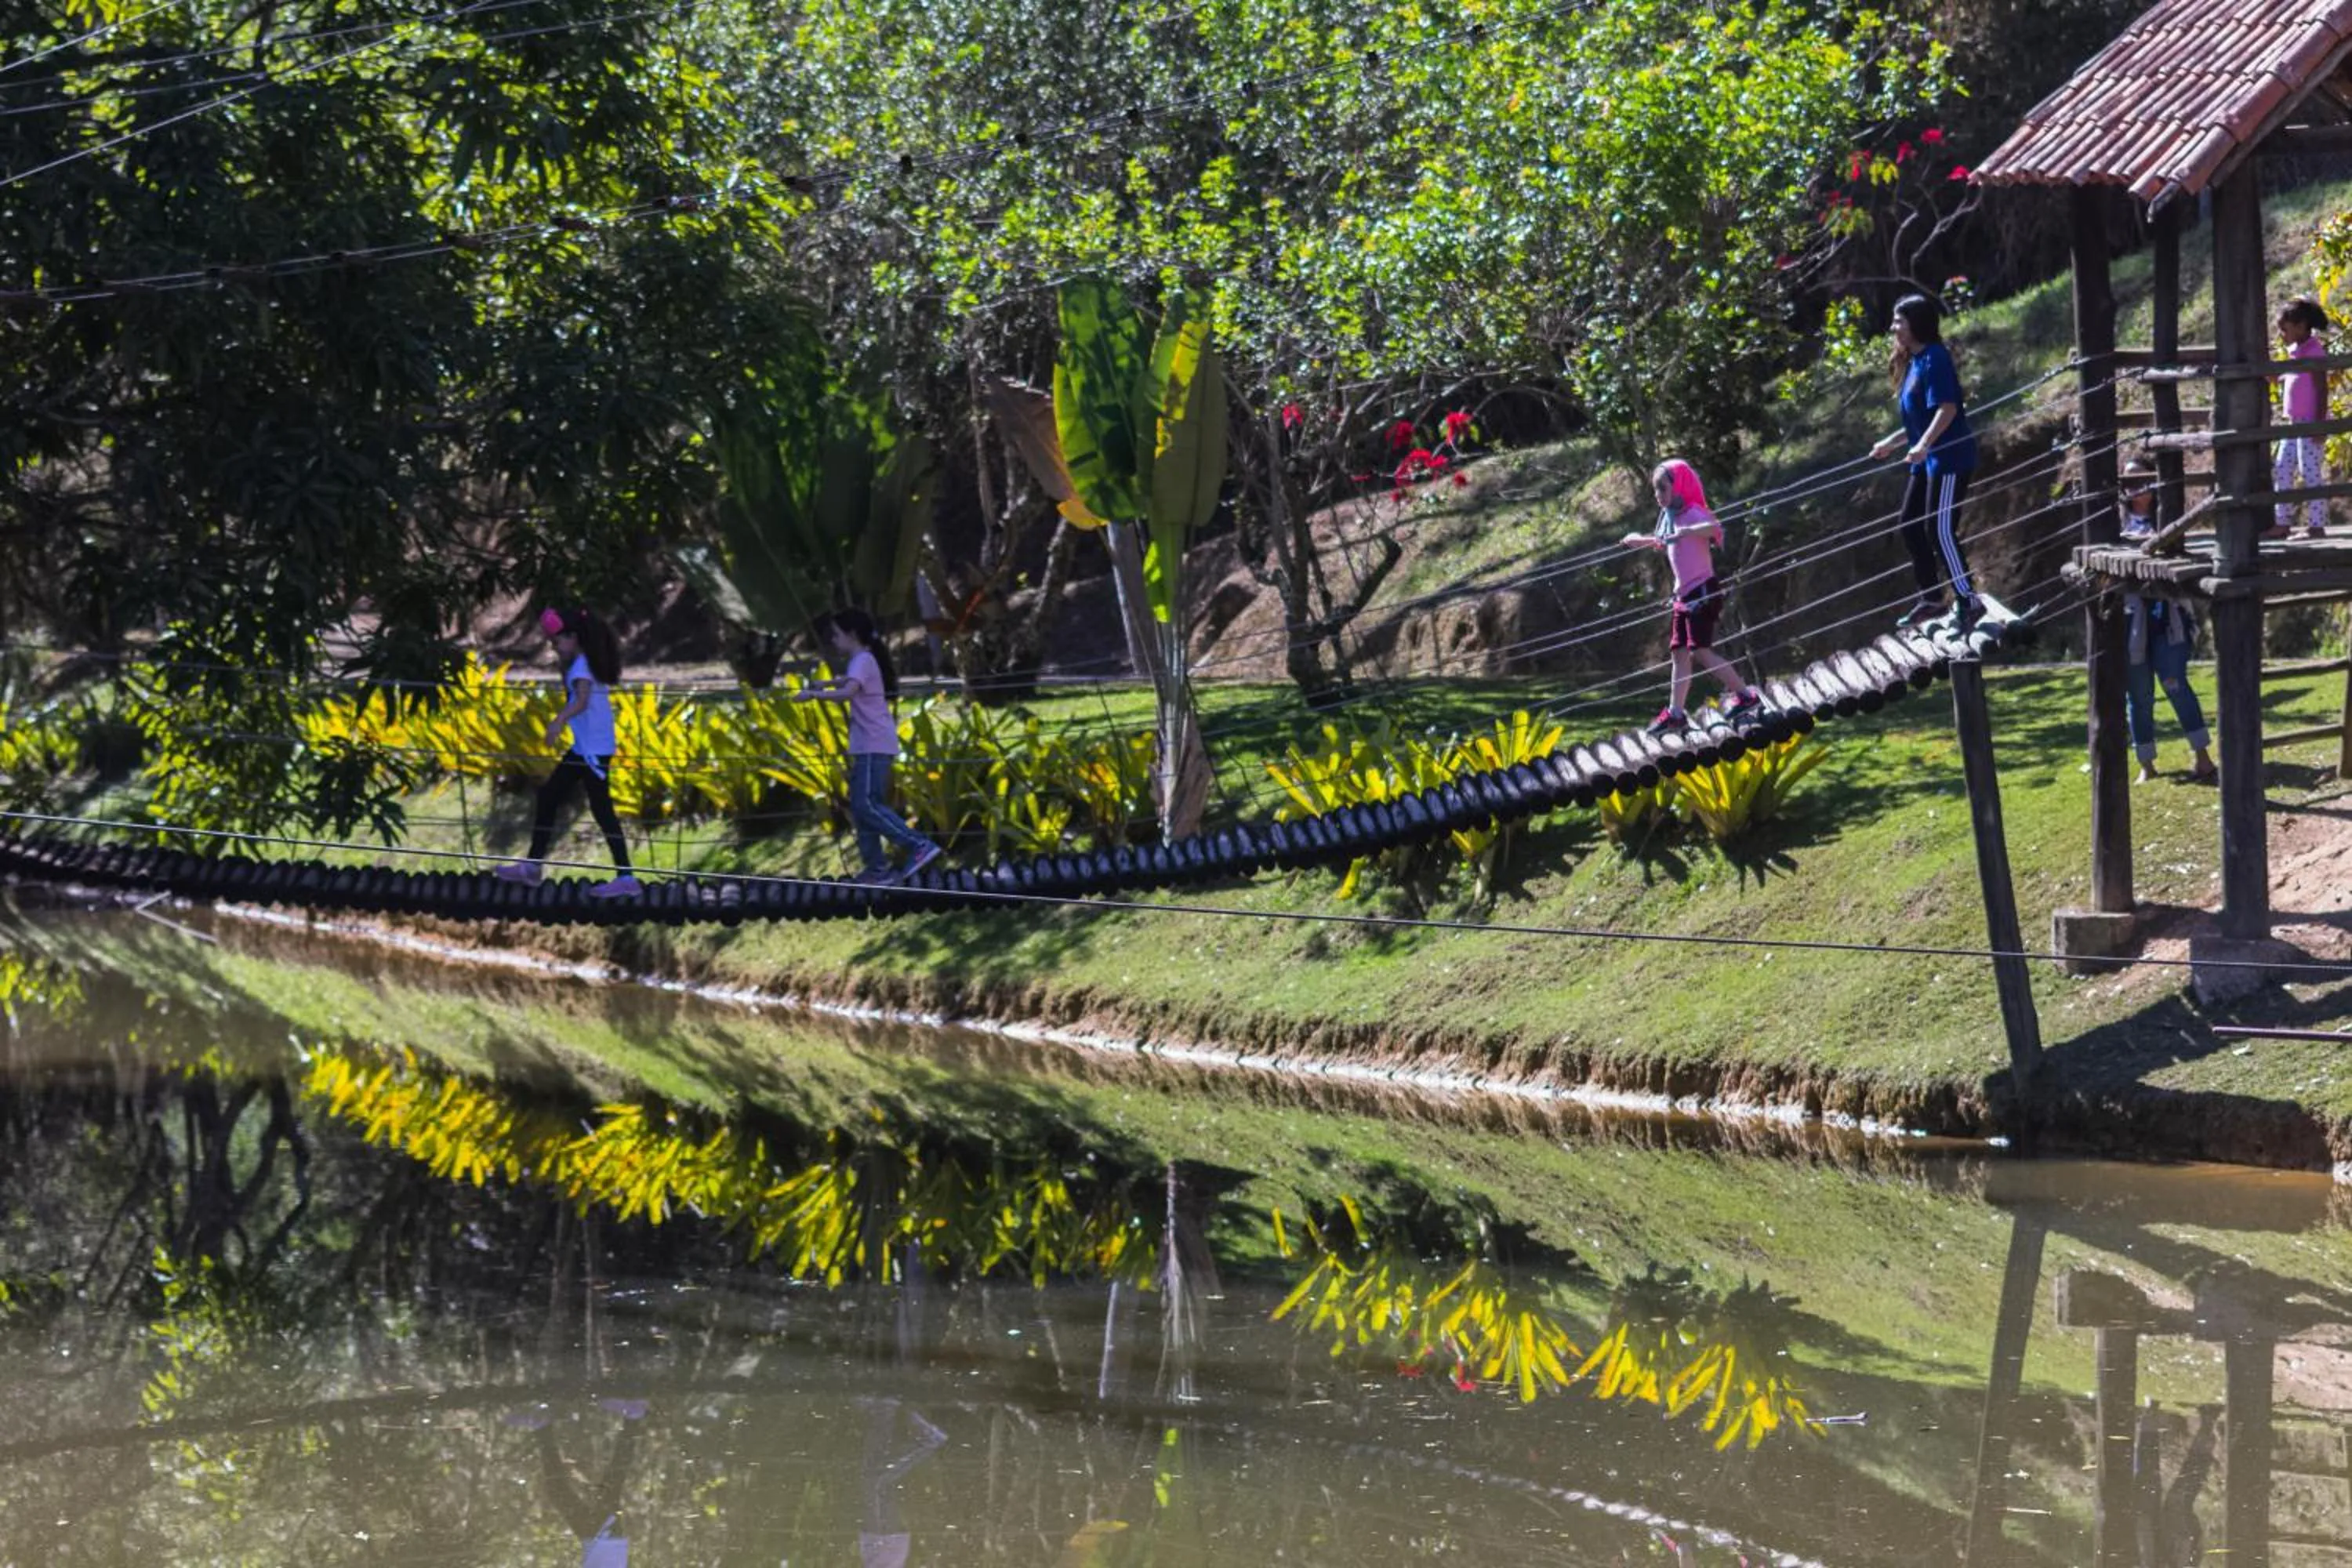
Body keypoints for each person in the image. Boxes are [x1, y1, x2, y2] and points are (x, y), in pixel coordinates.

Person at [494, 608, 641, 898]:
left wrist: (558, 721)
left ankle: (627, 878)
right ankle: (533, 867)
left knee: (603, 811)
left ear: (573, 638)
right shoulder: (584, 663)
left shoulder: (582, 668)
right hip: (583, 750)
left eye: (557, 642)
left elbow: (583, 700)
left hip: (593, 753)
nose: (554, 647)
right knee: (548, 796)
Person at [793, 610, 943, 885]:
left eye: (837, 635)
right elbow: (849, 683)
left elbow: (848, 693)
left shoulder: (862, 660)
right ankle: (876, 868)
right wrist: (825, 683)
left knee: (866, 804)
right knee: (862, 807)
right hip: (867, 745)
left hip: (874, 743)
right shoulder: (861, 660)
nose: (834, 640)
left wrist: (813, 695)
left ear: (851, 635)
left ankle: (918, 845)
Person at [1620, 459, 1766, 735]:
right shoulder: (1669, 517)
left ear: (1679, 487)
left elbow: (1713, 528)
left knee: (1700, 651)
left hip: (1702, 592)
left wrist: (1690, 530)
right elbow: (1661, 541)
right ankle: (1676, 714)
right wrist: (1639, 540)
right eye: (1655, 490)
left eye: (1662, 489)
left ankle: (1747, 697)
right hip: (1684, 595)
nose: (1657, 495)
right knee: (1679, 653)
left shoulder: (1692, 513)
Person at [1870, 292, 1982, 631]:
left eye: (1899, 321)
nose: (1893, 328)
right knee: (1910, 524)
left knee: (1940, 528)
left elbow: (1947, 409)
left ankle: (1968, 600)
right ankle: (1932, 598)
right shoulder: (1916, 362)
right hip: (1928, 459)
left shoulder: (1935, 358)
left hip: (1948, 459)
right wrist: (1892, 442)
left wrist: (1923, 445)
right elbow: (1919, 420)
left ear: (1916, 323)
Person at [2118, 461, 2216, 784]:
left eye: (2143, 479)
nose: (2137, 488)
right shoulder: (2114, 526)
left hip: (2167, 614)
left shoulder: (2168, 521)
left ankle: (2202, 756)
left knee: (2176, 684)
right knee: (2139, 695)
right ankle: (2146, 763)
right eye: (2131, 481)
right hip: (2132, 618)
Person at [2274, 296, 2331, 538]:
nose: (2282, 335)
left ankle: (2316, 525)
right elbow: (2286, 379)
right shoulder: (2295, 352)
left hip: (2310, 422)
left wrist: (2319, 423)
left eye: (2285, 330)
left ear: (2301, 325)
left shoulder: (2314, 351)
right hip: (2293, 423)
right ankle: (2282, 522)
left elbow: (2321, 388)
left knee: (2310, 472)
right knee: (2282, 468)